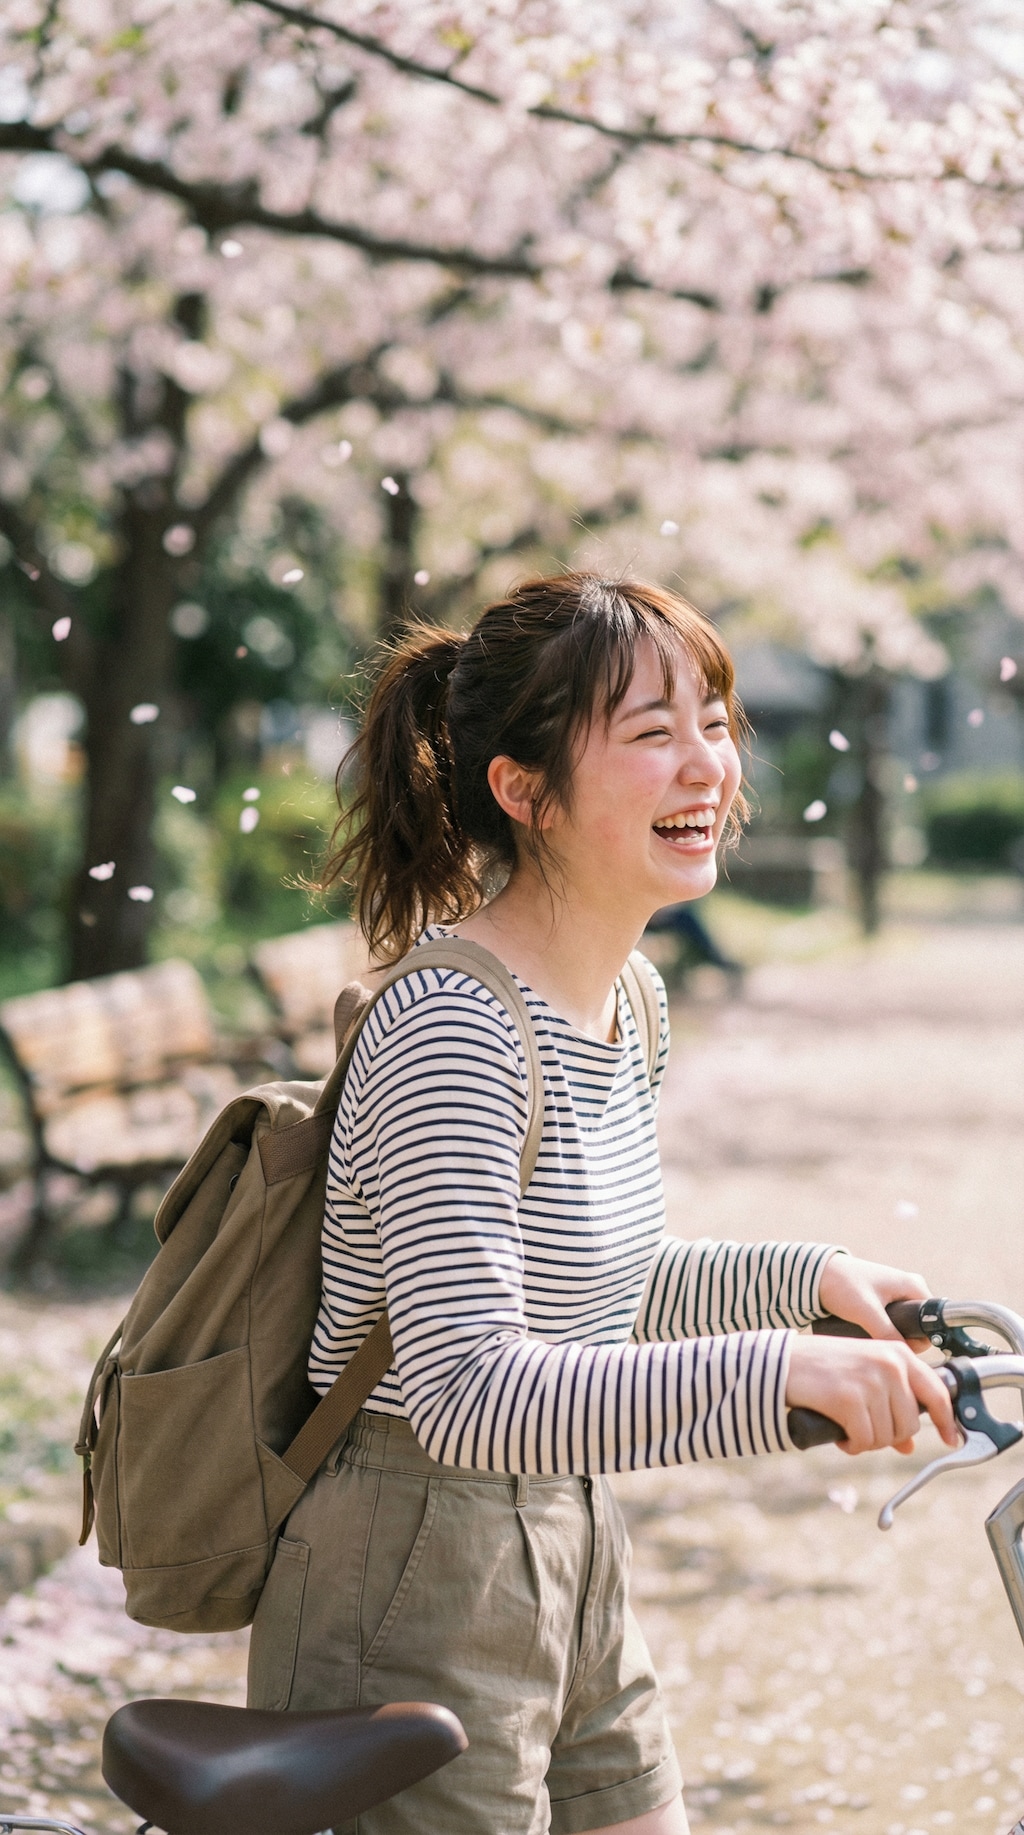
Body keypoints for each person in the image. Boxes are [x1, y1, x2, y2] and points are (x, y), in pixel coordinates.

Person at [247, 574, 955, 1835]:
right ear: (524, 790)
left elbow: (599, 1287)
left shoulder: (626, 998)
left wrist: (810, 1280)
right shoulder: (453, 1030)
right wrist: (774, 1371)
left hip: (569, 1526)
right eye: (651, 732)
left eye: (716, 720)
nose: (708, 768)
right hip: (409, 1560)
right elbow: (468, 1391)